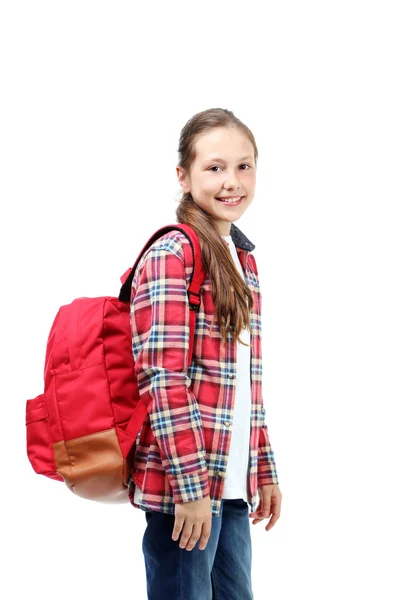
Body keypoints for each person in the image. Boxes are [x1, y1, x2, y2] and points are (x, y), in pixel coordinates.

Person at [127, 107, 282, 600]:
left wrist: (264, 469)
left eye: (244, 165)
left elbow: (244, 383)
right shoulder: (174, 254)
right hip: (186, 493)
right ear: (184, 175)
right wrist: (192, 491)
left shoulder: (244, 259)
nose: (232, 181)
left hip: (232, 490)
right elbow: (162, 378)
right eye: (214, 167)